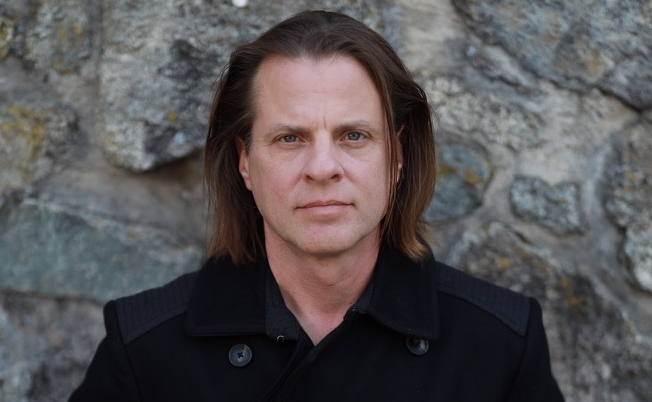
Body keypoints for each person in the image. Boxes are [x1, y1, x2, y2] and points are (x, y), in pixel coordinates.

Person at [69, 10, 564, 401]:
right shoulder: (145, 350)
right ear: (245, 162)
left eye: (354, 136)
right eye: (290, 138)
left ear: (396, 158)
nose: (322, 168)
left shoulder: (499, 343)